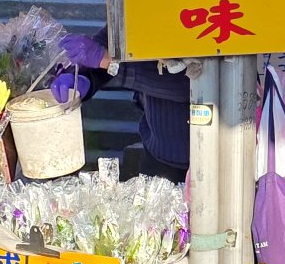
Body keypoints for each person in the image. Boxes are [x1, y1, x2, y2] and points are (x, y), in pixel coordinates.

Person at [53, 32, 190, 181]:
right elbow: (112, 38)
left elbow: (192, 82)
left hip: (210, 154)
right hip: (158, 152)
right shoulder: (143, 9)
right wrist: (84, 76)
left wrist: (108, 61)